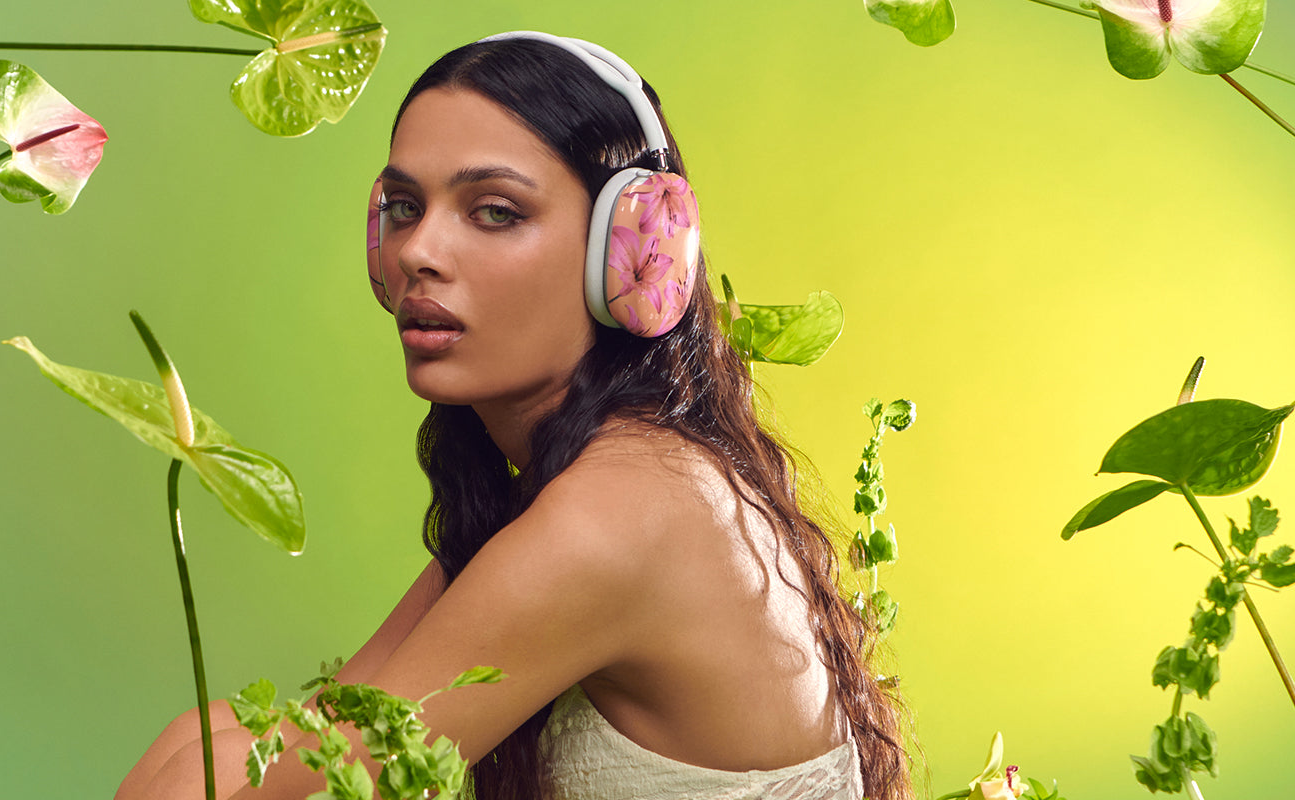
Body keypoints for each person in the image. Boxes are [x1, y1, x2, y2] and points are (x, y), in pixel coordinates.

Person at [116, 31, 911, 800]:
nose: (417, 251)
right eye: (402, 205)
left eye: (494, 211)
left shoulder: (618, 515)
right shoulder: (585, 482)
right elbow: (306, 733)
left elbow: (269, 786)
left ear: (636, 251)